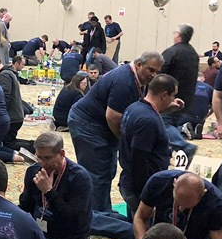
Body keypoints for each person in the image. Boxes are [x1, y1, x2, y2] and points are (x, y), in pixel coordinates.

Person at [68, 51, 164, 213]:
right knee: (98, 174)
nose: (154, 75)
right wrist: (123, 141)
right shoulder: (124, 81)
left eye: (157, 72)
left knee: (107, 170)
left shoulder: (136, 79)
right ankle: (97, 216)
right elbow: (113, 117)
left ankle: (101, 210)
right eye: (151, 70)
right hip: (88, 124)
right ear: (139, 64)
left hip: (99, 124)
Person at [17, 131, 92, 239]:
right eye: (39, 157)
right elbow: (25, 206)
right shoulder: (34, 171)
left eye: (48, 158)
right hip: (37, 233)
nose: (43, 163)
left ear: (61, 154)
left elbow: (75, 223)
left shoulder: (79, 178)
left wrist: (49, 192)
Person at [118, 74, 179, 219]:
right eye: (173, 96)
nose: (173, 99)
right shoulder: (148, 121)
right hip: (141, 187)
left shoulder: (134, 108)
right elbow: (139, 159)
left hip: (129, 180)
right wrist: (145, 198)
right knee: (144, 232)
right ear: (164, 95)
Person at [161, 24, 200, 130]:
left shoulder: (171, 52)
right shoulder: (194, 54)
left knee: (166, 125)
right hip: (187, 98)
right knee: (174, 124)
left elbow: (160, 73)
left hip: (169, 98)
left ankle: (183, 144)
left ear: (178, 35)